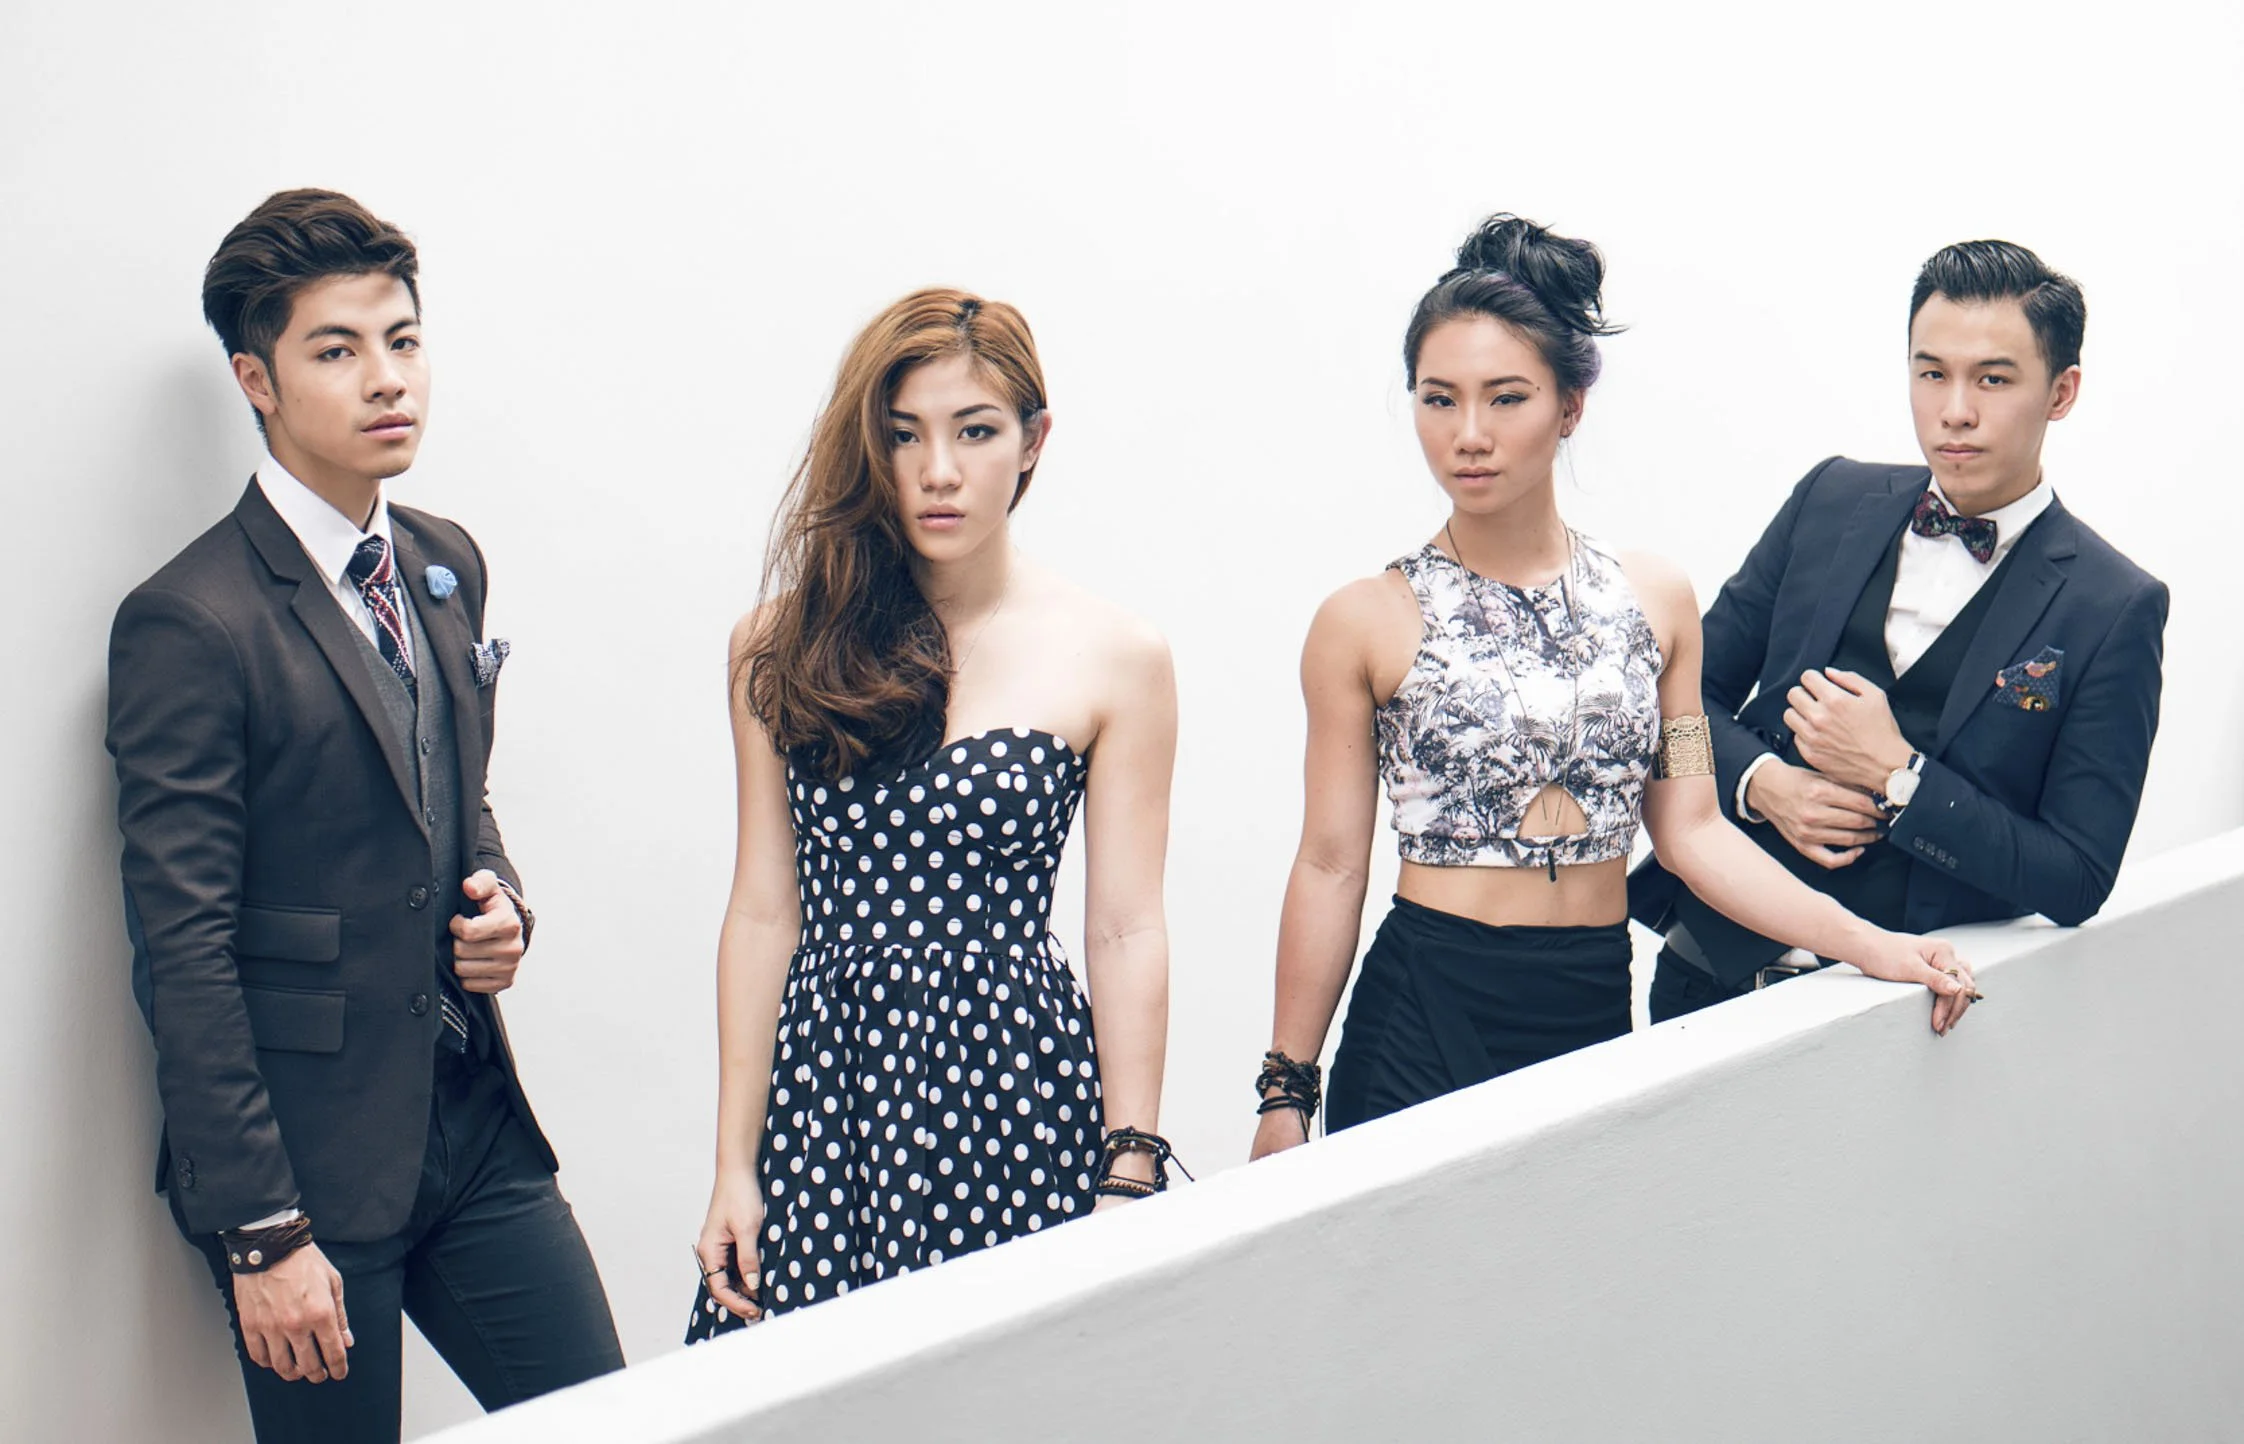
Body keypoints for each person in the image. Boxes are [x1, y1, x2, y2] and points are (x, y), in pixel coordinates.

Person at [1249, 216, 1976, 1157]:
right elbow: (1330, 865)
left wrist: (1871, 947)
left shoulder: (1655, 604)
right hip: (1423, 1007)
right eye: (1438, 399)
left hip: (1589, 1002)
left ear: (1570, 407)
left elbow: (1693, 831)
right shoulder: (1364, 620)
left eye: (1506, 398)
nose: (1468, 435)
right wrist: (1285, 1092)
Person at [105, 190, 622, 1441]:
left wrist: (500, 898)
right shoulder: (191, 621)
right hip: (309, 1175)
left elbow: (452, 791)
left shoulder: (445, 561)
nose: (388, 378)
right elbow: (182, 949)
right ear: (257, 380)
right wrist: (262, 1230)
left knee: (624, 1419)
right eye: (337, 350)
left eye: (403, 339)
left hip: (473, 1126)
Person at [692, 289, 1177, 1330]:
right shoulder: (777, 643)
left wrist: (1129, 1162)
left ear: (1034, 441)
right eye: (904, 433)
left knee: (1011, 1387)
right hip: (828, 1093)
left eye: (975, 431)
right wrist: (733, 1163)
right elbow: (764, 910)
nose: (939, 470)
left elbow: (1126, 926)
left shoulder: (1115, 655)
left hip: (1014, 1085)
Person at [1632, 238, 2166, 1020]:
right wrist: (1761, 783)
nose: (1955, 410)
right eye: (1931, 373)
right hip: (1704, 972)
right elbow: (1680, 704)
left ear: (2062, 391)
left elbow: (2076, 877)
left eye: (1993, 379)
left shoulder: (2113, 604)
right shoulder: (1829, 499)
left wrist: (1901, 775)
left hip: (1896, 1019)